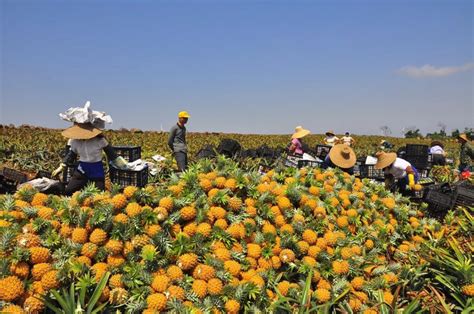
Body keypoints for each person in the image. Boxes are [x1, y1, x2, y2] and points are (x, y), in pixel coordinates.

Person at [52, 122, 127, 195]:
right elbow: (71, 155)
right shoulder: (75, 142)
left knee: (100, 194)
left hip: (96, 169)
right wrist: (62, 166)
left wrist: (122, 164)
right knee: (69, 191)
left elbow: (111, 153)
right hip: (82, 169)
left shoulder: (100, 140)